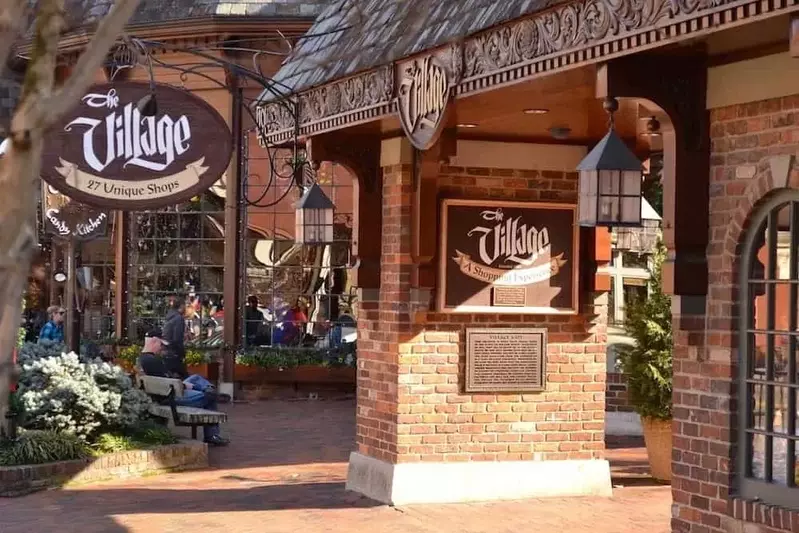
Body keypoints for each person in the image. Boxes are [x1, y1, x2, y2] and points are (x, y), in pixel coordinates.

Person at [137, 328, 229, 446]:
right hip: (170, 397)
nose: (161, 348)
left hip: (168, 391)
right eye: (161, 344)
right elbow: (169, 383)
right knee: (209, 397)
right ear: (154, 341)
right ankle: (212, 434)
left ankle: (209, 390)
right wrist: (184, 385)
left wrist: (183, 384)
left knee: (195, 378)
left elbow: (166, 380)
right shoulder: (152, 361)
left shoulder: (143, 358)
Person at [161, 296, 187, 378]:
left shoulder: (169, 317)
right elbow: (177, 338)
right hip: (174, 353)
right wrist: (182, 353)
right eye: (185, 305)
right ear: (182, 306)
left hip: (166, 352)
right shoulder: (178, 318)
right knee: (182, 378)